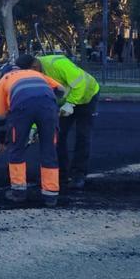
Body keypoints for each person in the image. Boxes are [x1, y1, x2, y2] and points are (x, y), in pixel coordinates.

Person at [18, 53, 100, 189]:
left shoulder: (57, 64)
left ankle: (78, 175)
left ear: (34, 66)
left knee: (83, 136)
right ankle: (60, 174)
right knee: (58, 135)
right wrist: (34, 128)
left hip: (88, 96)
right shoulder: (35, 76)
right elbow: (40, 104)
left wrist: (71, 103)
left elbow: (80, 83)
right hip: (64, 103)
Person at [0, 56, 66, 207]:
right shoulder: (36, 74)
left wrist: (2, 141)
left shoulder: (3, 81)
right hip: (48, 106)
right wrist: (46, 106)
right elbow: (61, 90)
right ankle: (51, 195)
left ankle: (18, 192)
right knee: (49, 149)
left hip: (22, 108)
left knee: (17, 148)